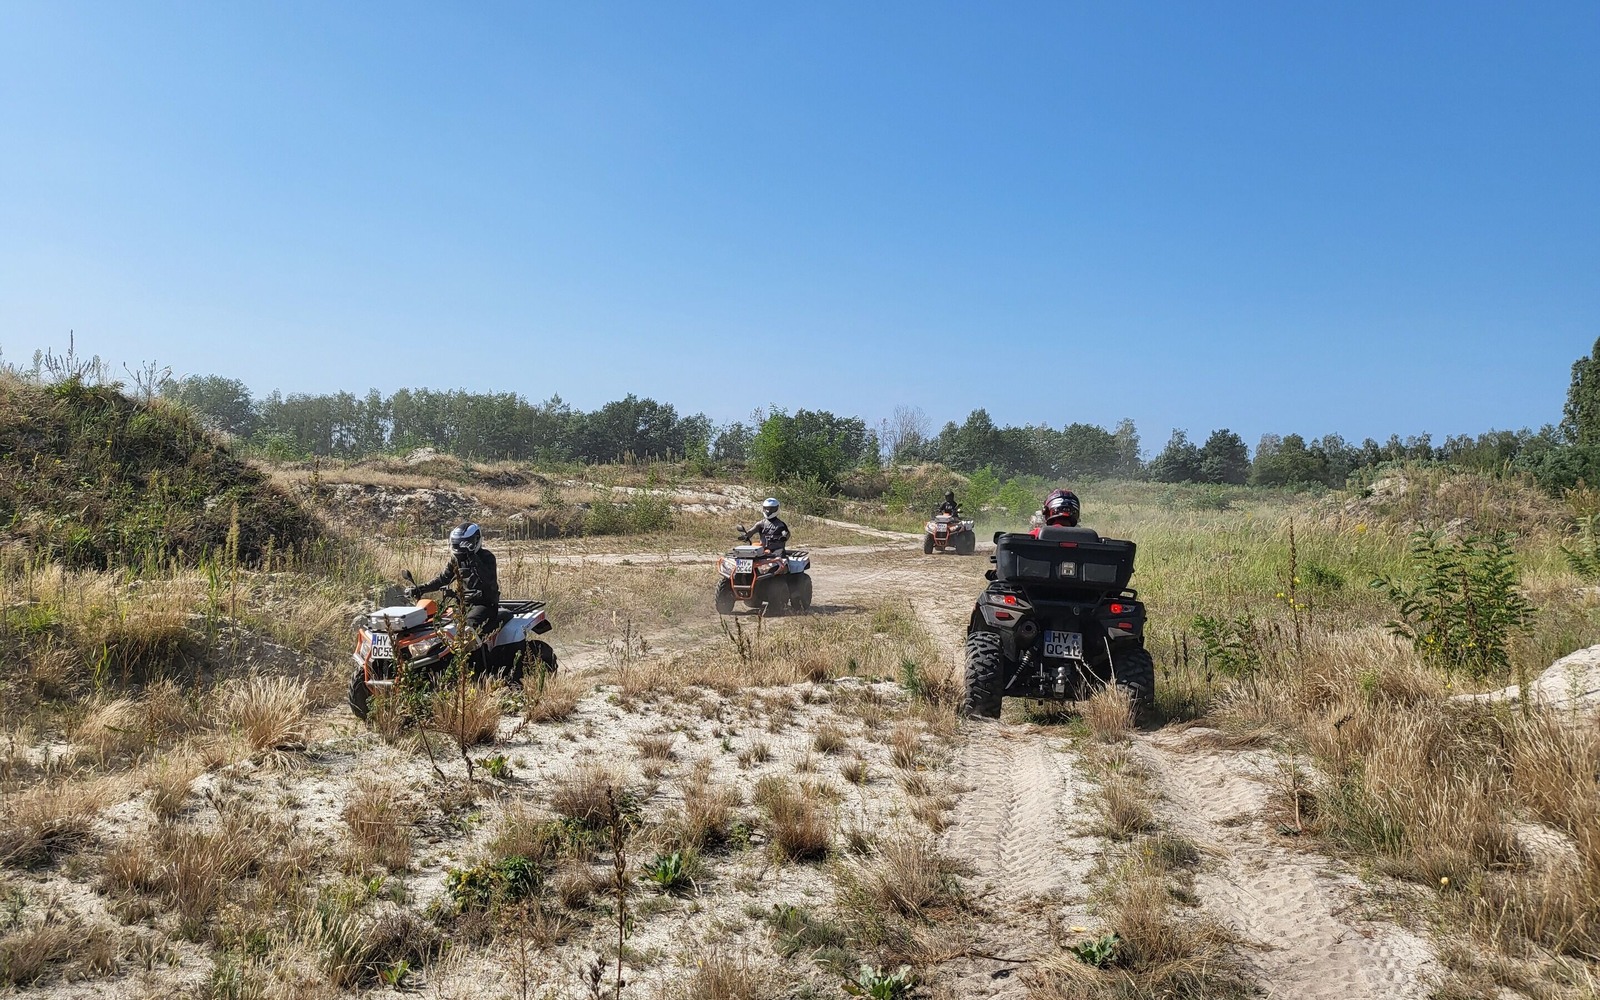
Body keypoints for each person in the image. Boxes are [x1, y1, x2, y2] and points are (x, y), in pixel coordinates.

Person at [409, 522, 501, 639]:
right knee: (437, 625)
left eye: (463, 543)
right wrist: (421, 588)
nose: (459, 548)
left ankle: (478, 651)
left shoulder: (487, 557)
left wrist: (472, 558)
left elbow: (487, 580)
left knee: (468, 629)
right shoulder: (456, 559)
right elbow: (443, 578)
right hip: (462, 604)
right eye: (457, 544)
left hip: (485, 605)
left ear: (475, 540)